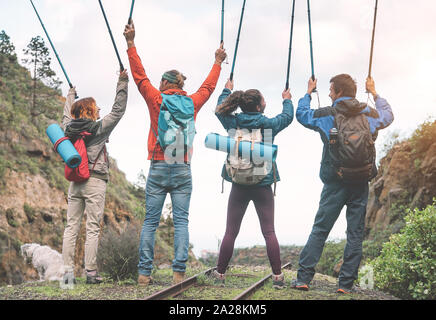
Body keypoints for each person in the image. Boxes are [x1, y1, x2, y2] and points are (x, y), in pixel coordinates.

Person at [123, 21, 227, 286]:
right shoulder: (192, 102)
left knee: (150, 222)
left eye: (160, 81)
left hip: (158, 165)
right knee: (181, 221)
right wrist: (217, 62)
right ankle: (178, 273)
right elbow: (208, 88)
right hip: (182, 166)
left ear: (165, 83)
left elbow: (139, 77)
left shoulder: (156, 99)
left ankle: (144, 275)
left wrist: (131, 44)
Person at [292, 75, 394, 293]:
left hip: (334, 181)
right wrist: (375, 93)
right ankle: (345, 285)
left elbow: (302, 115)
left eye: (331, 90)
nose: (329, 93)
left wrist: (308, 93)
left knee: (320, 229)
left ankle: (303, 279)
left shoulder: (328, 115)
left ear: (338, 92)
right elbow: (388, 116)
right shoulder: (368, 113)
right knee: (355, 233)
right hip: (360, 182)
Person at [211, 79, 294, 289]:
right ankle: (277, 277)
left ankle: (220, 273)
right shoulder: (267, 125)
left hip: (238, 183)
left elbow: (220, 109)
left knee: (231, 231)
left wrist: (227, 89)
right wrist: (287, 100)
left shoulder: (233, 123)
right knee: (269, 231)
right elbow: (287, 117)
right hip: (263, 182)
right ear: (259, 106)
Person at [61, 70, 129, 284]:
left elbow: (65, 115)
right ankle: (90, 273)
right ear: (90, 110)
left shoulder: (67, 128)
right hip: (95, 180)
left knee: (71, 227)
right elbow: (118, 111)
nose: (100, 108)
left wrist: (70, 95)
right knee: (92, 227)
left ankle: (67, 276)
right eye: (96, 106)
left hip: (75, 182)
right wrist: (122, 82)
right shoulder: (98, 128)